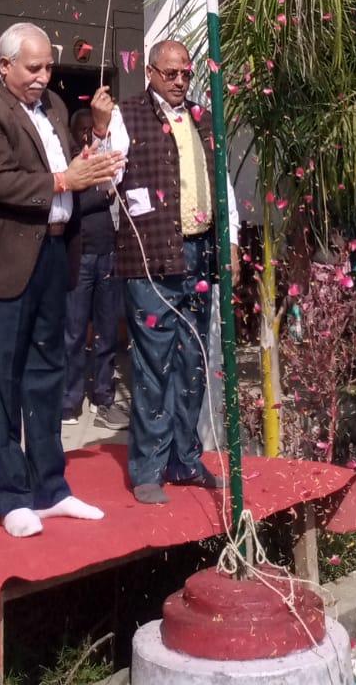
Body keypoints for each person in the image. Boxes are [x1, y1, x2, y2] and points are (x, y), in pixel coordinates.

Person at [0, 22, 125, 539]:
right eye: (33, 67)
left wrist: (99, 136)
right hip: (0, 262)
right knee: (1, 380)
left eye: (48, 67)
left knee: (47, 374)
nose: (43, 76)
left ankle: (51, 489)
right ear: (5, 66)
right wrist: (65, 180)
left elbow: (72, 169)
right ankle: (12, 496)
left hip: (53, 253)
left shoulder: (56, 108)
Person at [109, 39, 240, 505]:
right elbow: (107, 178)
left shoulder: (203, 118)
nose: (180, 81)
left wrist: (231, 238)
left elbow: (221, 181)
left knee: (192, 361)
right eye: (171, 73)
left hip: (199, 252)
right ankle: (148, 468)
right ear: (149, 72)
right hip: (151, 256)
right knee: (153, 365)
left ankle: (185, 459)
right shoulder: (125, 115)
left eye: (186, 72)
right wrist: (101, 133)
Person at [62, 108, 126, 430]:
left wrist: (108, 187)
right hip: (80, 257)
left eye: (92, 128)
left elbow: (117, 192)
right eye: (82, 129)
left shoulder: (104, 162)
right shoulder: (70, 166)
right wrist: (103, 191)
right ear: (73, 134)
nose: (88, 135)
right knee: (73, 332)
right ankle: (69, 401)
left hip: (108, 254)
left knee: (107, 331)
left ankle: (103, 397)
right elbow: (79, 204)